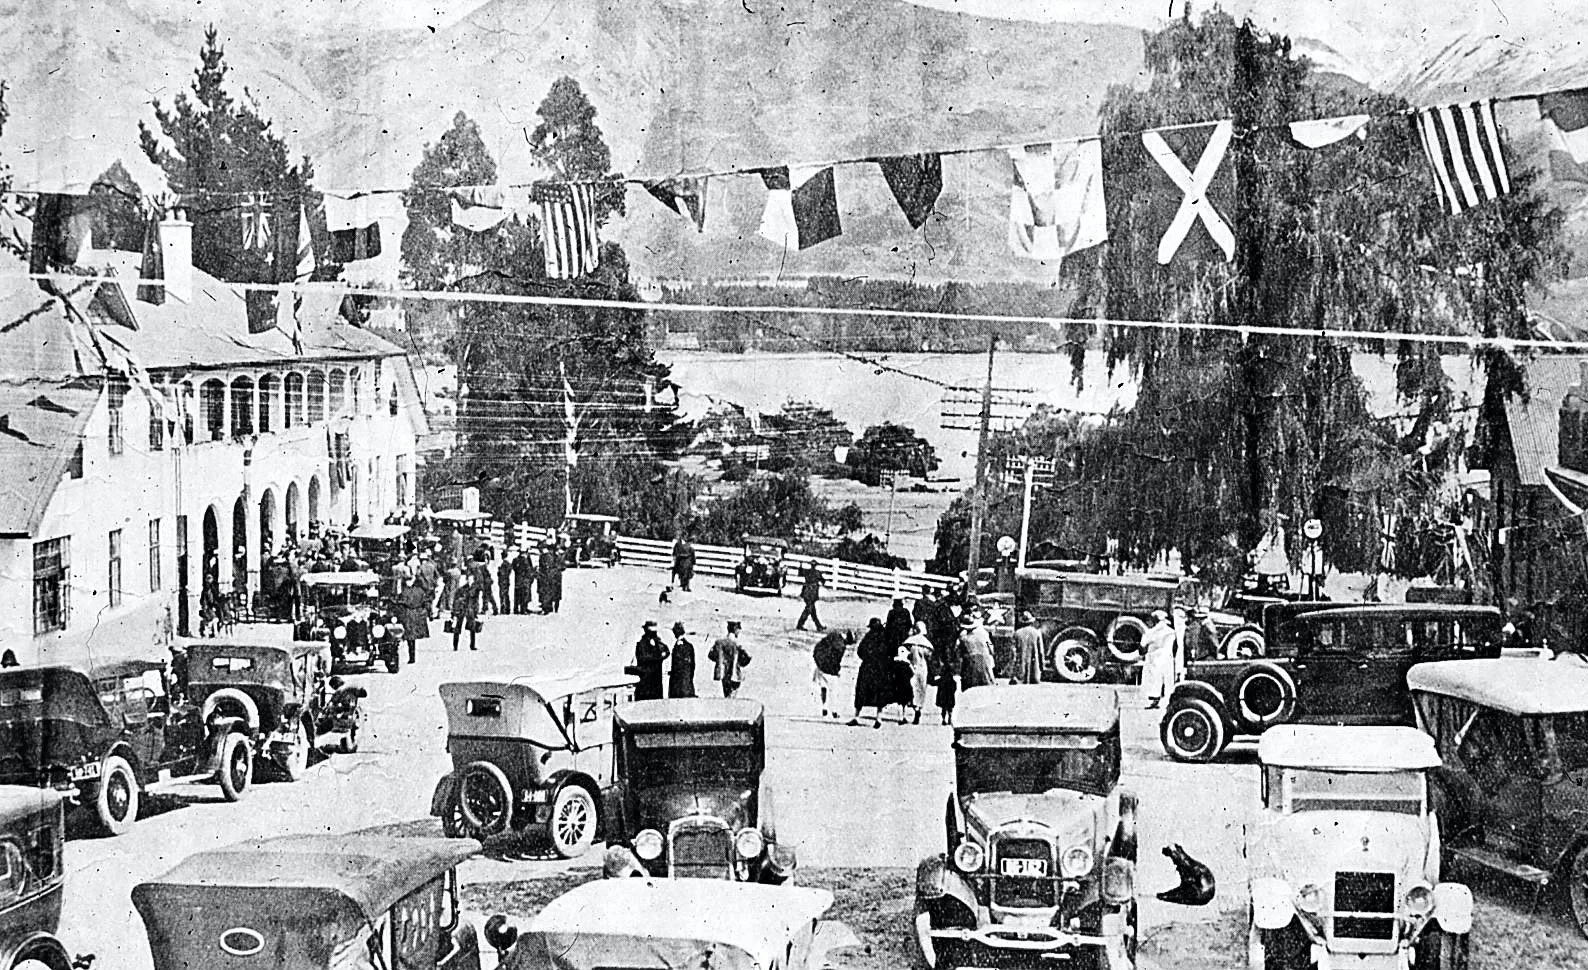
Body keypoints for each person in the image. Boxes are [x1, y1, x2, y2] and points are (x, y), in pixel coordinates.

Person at [850, 618, 893, 728]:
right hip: (881, 668)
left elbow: (860, 651)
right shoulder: (885, 637)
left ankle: (856, 717)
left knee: (861, 692)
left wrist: (867, 658)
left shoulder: (868, 636)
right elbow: (891, 651)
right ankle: (878, 718)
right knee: (879, 693)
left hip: (867, 667)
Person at [811, 629, 854, 718]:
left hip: (820, 666)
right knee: (833, 690)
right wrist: (837, 671)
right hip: (830, 670)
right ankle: (834, 711)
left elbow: (818, 647)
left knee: (823, 688)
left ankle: (824, 707)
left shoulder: (833, 635)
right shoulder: (841, 647)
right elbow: (836, 661)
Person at [1141, 609, 1178, 708]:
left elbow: (1142, 647)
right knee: (1168, 680)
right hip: (1167, 658)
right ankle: (1170, 702)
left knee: (1154, 680)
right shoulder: (1171, 632)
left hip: (1154, 658)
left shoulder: (1150, 633)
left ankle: (1155, 701)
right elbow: (1176, 646)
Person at [707, 620, 751, 697]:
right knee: (733, 695)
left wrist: (720, 661)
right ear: (735, 629)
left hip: (723, 673)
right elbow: (746, 659)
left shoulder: (719, 642)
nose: (739, 632)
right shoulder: (738, 644)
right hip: (734, 673)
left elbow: (711, 655)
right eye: (738, 630)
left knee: (726, 694)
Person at [397, 574, 431, 665]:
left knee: (410, 637)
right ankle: (412, 656)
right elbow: (426, 602)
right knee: (411, 638)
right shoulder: (419, 590)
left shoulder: (404, 591)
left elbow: (400, 602)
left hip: (409, 614)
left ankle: (412, 657)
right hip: (414, 614)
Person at [632, 620, 670, 701]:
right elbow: (645, 658)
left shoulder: (657, 642)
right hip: (646, 681)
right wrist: (659, 657)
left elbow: (666, 651)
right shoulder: (641, 644)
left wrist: (660, 655)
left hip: (656, 680)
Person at [905, 621, 934, 724]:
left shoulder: (909, 643)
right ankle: (919, 708)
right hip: (922, 668)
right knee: (921, 689)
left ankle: (914, 707)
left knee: (912, 688)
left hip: (911, 667)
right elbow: (929, 656)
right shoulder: (926, 644)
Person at [957, 614, 995, 691]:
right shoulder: (984, 634)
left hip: (970, 662)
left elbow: (959, 652)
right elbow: (991, 647)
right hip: (984, 660)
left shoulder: (963, 637)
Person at [1011, 611, 1044, 684]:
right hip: (1034, 672)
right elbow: (1041, 651)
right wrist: (1042, 666)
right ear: (1031, 622)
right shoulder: (1037, 633)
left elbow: (1013, 651)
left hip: (1020, 669)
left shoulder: (1017, 633)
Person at [450, 574, 479, 652]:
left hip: (468, 609)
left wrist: (476, 610)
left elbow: (476, 601)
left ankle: (471, 645)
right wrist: (454, 612)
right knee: (459, 627)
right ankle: (456, 645)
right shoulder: (463, 589)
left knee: (471, 628)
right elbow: (456, 601)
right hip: (463, 609)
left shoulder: (473, 589)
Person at [669, 622, 697, 698]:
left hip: (679, 682)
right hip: (686, 680)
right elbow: (692, 665)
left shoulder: (680, 645)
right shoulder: (689, 645)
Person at [796, 563, 826, 632]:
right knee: (808, 610)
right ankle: (800, 624)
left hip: (806, 592)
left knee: (812, 611)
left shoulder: (807, 571)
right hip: (812, 593)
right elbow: (823, 581)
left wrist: (800, 566)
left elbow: (800, 573)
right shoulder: (817, 573)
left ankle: (818, 626)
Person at [513, 545, 535, 614]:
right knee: (524, 595)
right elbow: (528, 570)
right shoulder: (525, 561)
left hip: (517, 580)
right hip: (525, 581)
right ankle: (523, 609)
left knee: (517, 595)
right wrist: (532, 575)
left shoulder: (515, 560)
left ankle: (516, 609)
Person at [497, 549, 515, 618]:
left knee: (503, 595)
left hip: (503, 581)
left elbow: (502, 573)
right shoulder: (508, 564)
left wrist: (499, 571)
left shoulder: (504, 564)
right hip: (506, 581)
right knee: (506, 595)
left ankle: (504, 609)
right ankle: (507, 609)